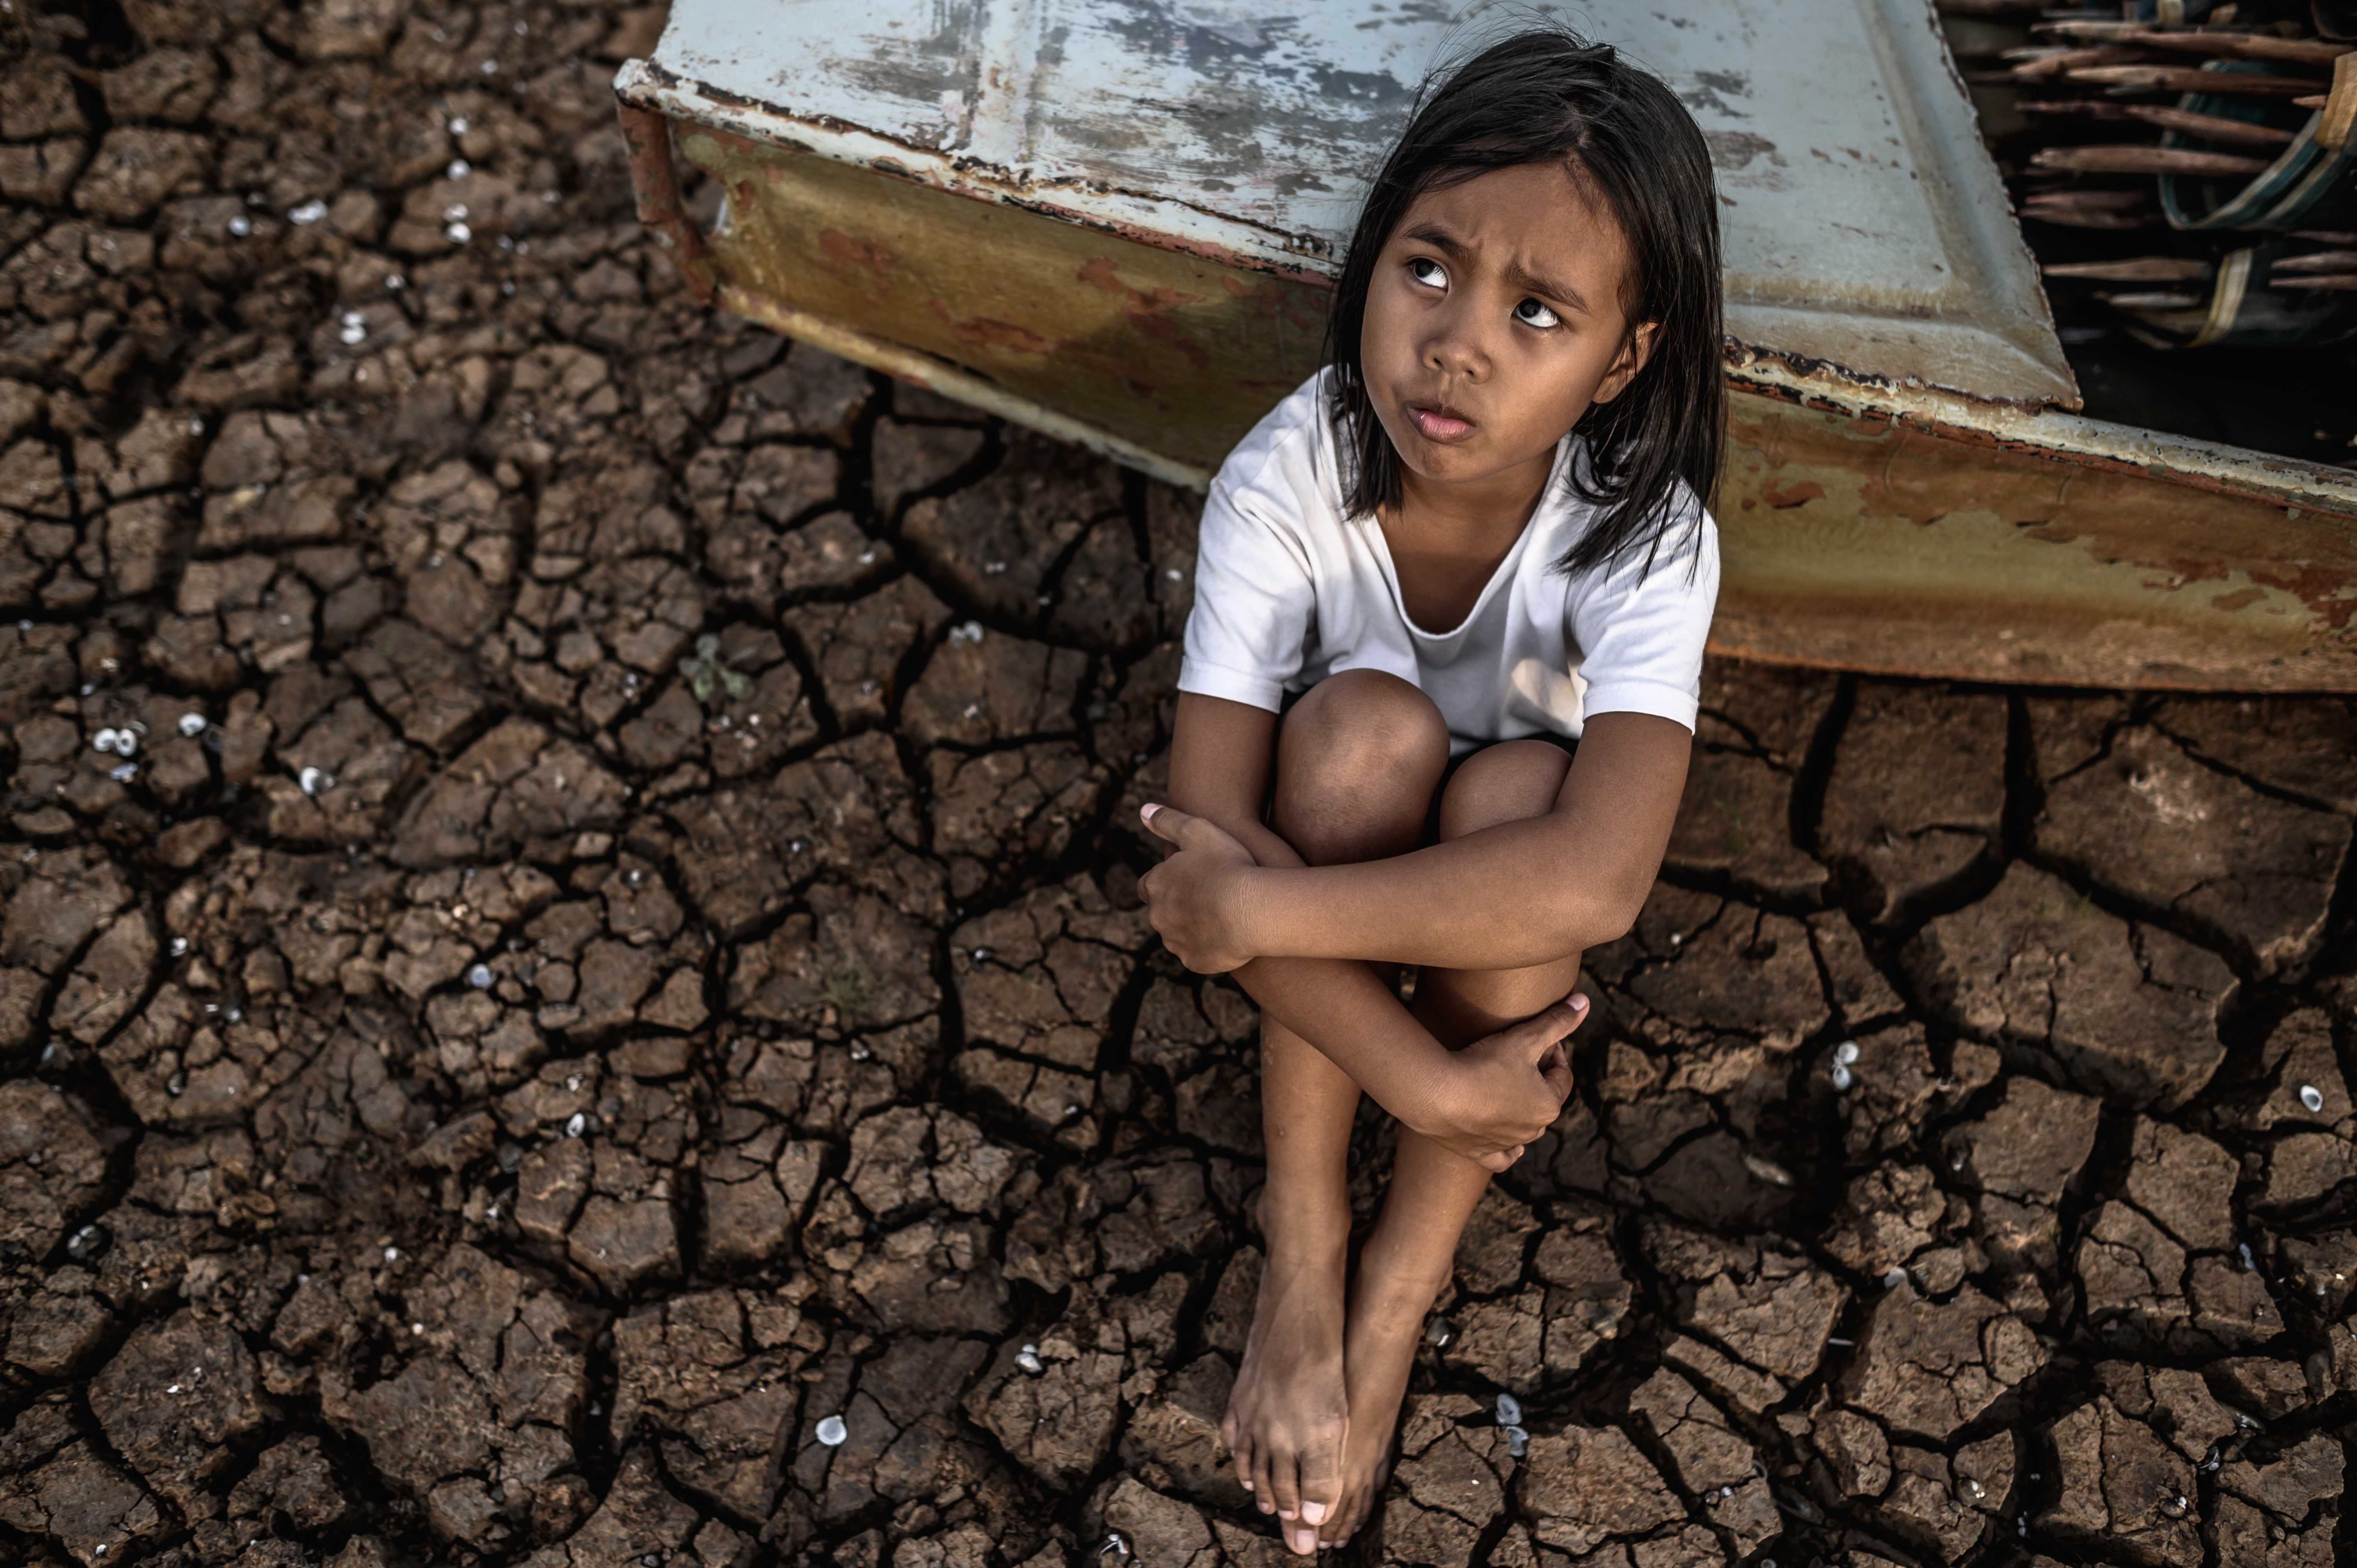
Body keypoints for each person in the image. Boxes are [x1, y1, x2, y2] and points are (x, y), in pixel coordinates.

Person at [1133, 28, 1725, 1556]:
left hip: (1486, 881)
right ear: (1373, 258)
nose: (1457, 343)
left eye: (1538, 312)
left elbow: (1596, 884)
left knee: (1528, 789)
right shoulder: (1287, 478)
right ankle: (1309, 1236)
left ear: (1625, 358)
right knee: (1354, 740)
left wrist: (1259, 911)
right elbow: (1210, 834)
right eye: (1429, 270)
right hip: (1346, 825)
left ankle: (1397, 1285)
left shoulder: (1647, 535)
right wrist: (1429, 1078)